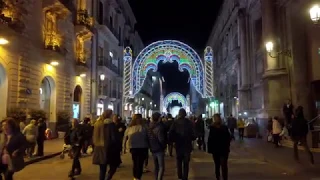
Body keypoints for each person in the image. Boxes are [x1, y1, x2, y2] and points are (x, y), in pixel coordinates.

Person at [92, 110, 121, 180]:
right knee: (114, 166)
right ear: (109, 115)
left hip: (98, 148)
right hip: (109, 148)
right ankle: (108, 177)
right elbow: (114, 138)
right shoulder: (111, 124)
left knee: (102, 169)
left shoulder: (97, 123)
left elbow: (93, 136)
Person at [168, 108, 196, 180]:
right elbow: (193, 134)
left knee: (179, 160)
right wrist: (192, 138)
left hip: (178, 144)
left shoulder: (175, 122)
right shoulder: (189, 123)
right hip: (187, 145)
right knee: (186, 163)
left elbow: (171, 133)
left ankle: (179, 175)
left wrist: (173, 141)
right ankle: (185, 177)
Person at [123, 114, 149, 180]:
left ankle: (135, 177)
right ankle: (138, 177)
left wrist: (124, 147)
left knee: (135, 162)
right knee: (140, 163)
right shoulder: (144, 127)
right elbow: (148, 137)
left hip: (133, 147)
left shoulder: (130, 128)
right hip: (143, 147)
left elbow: (125, 138)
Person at [208, 114, 231, 180]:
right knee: (218, 165)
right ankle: (218, 177)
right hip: (218, 150)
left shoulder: (223, 127)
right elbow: (210, 139)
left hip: (222, 149)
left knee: (222, 165)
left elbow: (228, 137)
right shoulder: (213, 128)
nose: (216, 119)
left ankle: (223, 177)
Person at [148, 112, 166, 180]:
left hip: (152, 148)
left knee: (156, 166)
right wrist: (163, 146)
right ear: (158, 118)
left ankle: (156, 178)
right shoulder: (159, 127)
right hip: (159, 149)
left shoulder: (149, 126)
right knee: (161, 167)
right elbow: (161, 139)